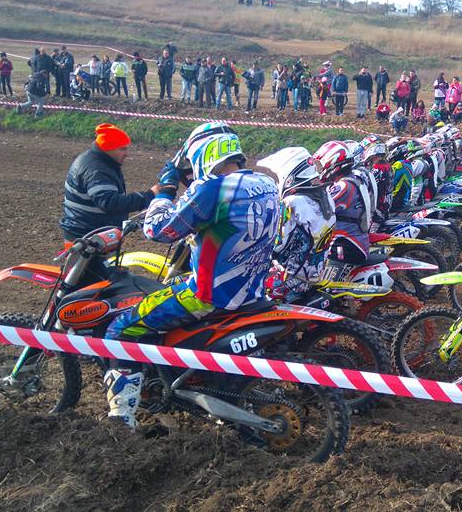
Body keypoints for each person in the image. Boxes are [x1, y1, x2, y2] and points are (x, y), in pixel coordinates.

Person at [103, 128, 279, 428]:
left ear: (203, 154)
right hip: (252, 290)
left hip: (208, 294)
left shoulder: (213, 189)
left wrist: (165, 191)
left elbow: (158, 230)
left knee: (121, 328)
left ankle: (121, 420)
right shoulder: (265, 183)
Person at [60, 123, 161, 242]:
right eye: (122, 149)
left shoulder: (99, 161)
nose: (127, 154)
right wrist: (148, 195)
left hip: (85, 231)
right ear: (108, 148)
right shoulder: (96, 170)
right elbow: (110, 203)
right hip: (86, 237)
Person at [258, 147, 336, 301]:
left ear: (289, 175)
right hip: (316, 272)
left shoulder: (291, 203)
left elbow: (277, 245)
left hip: (291, 278)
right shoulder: (326, 195)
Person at [312, 141, 371, 264]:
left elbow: (317, 210)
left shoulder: (343, 186)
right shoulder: (354, 179)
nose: (320, 170)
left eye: (321, 165)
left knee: (314, 269)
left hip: (347, 245)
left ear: (331, 162)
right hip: (354, 242)